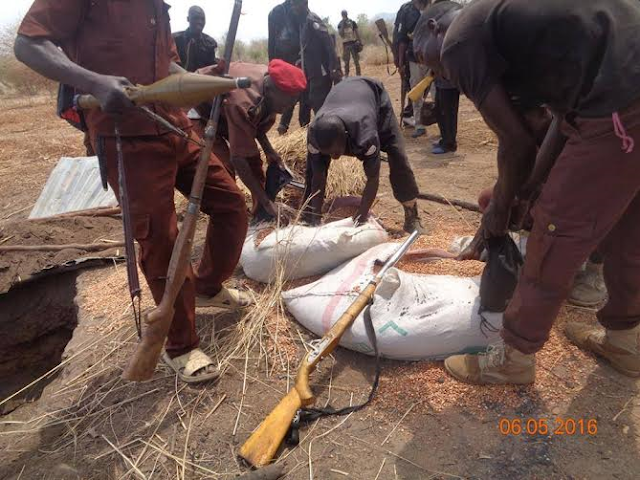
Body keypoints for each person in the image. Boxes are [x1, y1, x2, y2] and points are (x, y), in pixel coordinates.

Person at [14, 0, 253, 384]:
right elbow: (27, 44)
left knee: (231, 204)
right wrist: (94, 82)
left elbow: (168, 69)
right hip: (125, 136)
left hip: (174, 127)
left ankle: (208, 286)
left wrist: (204, 83)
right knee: (161, 240)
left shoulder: (156, 6)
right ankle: (180, 345)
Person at [414, 0, 640, 384]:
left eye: (424, 57)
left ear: (435, 26)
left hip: (619, 104)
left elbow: (516, 143)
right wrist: (529, 189)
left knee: (555, 229)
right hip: (623, 89)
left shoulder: (457, 40)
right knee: (628, 225)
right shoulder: (514, 26)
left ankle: (514, 357)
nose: (436, 72)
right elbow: (562, 119)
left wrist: (501, 208)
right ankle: (625, 341)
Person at [303, 77, 424, 233]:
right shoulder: (314, 135)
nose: (333, 158)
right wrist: (315, 220)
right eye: (328, 154)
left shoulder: (365, 136)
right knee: (312, 171)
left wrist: (360, 218)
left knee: (397, 154)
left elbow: (373, 179)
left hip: (373, 96)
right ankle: (308, 215)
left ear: (346, 137)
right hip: (343, 94)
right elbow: (318, 179)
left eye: (336, 152)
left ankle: (412, 215)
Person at [207, 60, 307, 218]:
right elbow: (238, 159)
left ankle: (260, 214)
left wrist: (270, 151)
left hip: (226, 115)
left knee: (255, 165)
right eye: (287, 102)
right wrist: (268, 203)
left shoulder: (268, 85)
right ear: (270, 89)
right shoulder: (244, 103)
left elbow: (257, 123)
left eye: (293, 103)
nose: (290, 107)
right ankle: (230, 220)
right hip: (202, 116)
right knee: (223, 171)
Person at [269, 0, 341, 135]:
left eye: (296, 5)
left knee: (317, 101)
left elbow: (328, 43)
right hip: (311, 71)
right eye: (292, 5)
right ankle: (322, 132)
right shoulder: (302, 22)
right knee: (308, 99)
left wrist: (333, 68)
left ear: (304, 4)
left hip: (321, 71)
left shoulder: (312, 20)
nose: (293, 8)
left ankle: (329, 133)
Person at [397, 0, 431, 138]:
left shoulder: (435, 6)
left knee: (437, 93)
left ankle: (444, 127)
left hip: (434, 59)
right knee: (417, 92)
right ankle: (419, 125)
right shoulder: (406, 10)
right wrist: (400, 61)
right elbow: (402, 38)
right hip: (414, 58)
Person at [173, 6, 218, 73]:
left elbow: (212, 68)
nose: (199, 22)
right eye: (196, 18)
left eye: (202, 19)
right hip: (178, 81)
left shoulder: (210, 43)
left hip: (201, 81)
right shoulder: (175, 40)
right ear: (188, 19)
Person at [432, 74, 460, 154]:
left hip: (449, 84)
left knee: (449, 115)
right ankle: (444, 139)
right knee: (440, 113)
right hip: (440, 81)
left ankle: (449, 144)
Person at [337, 10, 362, 77]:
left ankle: (358, 75)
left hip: (353, 43)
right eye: (343, 14)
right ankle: (346, 76)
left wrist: (360, 42)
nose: (344, 15)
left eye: (344, 14)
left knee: (356, 61)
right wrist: (343, 25)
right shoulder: (340, 24)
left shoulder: (352, 22)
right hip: (346, 45)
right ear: (341, 15)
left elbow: (357, 33)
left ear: (347, 14)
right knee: (346, 62)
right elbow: (341, 34)